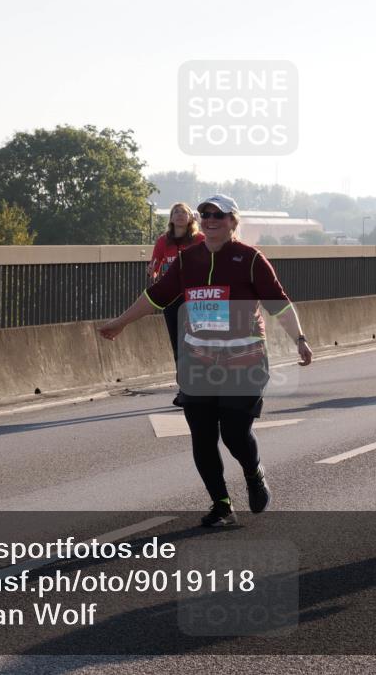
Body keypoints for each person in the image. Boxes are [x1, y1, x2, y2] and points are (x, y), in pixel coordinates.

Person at [100, 194, 313, 527]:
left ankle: (253, 472)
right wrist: (121, 322)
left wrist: (299, 339)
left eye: (218, 215)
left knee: (234, 435)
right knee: (202, 436)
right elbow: (156, 296)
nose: (211, 220)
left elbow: (278, 303)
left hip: (244, 363)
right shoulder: (188, 260)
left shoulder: (250, 259)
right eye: (205, 214)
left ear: (232, 221)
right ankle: (222, 504)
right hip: (198, 363)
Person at [147, 202, 205, 361]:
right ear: (171, 218)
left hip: (194, 296)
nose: (180, 215)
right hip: (171, 297)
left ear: (190, 218)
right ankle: (182, 372)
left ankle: (196, 369)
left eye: (184, 212)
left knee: (194, 339)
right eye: (176, 212)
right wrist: (152, 272)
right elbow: (155, 266)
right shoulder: (163, 241)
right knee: (176, 339)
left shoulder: (200, 239)